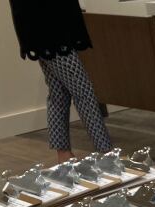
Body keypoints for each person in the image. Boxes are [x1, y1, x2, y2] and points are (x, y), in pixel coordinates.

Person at [8, 0, 113, 162]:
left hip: (46, 27)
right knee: (83, 91)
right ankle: (106, 152)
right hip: (49, 28)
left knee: (59, 94)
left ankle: (63, 154)